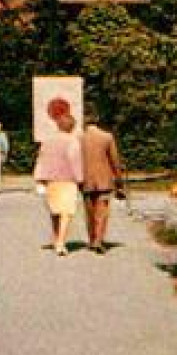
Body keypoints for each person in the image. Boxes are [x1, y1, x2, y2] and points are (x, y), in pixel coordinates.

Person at [33, 98, 84, 256]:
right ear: (71, 127)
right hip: (67, 181)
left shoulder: (47, 141)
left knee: (54, 212)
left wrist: (39, 178)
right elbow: (75, 161)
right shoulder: (72, 141)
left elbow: (41, 159)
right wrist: (80, 179)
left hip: (51, 181)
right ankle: (61, 243)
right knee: (66, 212)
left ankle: (56, 239)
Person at [80, 114, 125, 254]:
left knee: (89, 211)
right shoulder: (107, 137)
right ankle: (99, 240)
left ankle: (92, 239)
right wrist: (118, 179)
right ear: (97, 120)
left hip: (85, 180)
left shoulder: (79, 138)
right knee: (102, 211)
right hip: (103, 180)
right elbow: (114, 160)